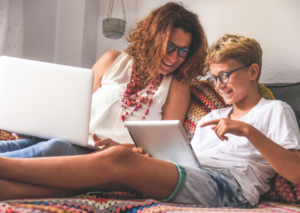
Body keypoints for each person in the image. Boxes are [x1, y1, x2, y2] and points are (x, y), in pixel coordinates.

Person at [1, 34, 300, 207]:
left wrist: (248, 131)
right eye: (214, 76)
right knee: (105, 170)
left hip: (231, 187)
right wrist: (138, 152)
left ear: (252, 71)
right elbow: (186, 160)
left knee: (118, 159)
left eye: (226, 75)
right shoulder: (212, 115)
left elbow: (295, 173)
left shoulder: (275, 111)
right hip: (194, 172)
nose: (219, 84)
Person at [0, 2, 208, 158]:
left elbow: (166, 151)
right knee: (18, 146)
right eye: (169, 46)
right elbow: (69, 110)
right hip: (73, 142)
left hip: (110, 157)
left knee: (53, 149)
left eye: (183, 51)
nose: (173, 58)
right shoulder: (111, 61)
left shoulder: (177, 87)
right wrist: (35, 128)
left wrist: (125, 149)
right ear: (153, 39)